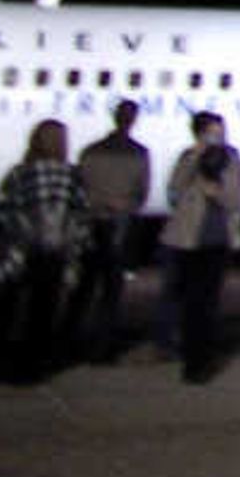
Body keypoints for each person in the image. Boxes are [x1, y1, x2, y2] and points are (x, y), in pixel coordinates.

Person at [0, 119, 82, 382]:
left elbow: (3, 206)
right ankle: (31, 368)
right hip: (54, 251)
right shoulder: (70, 175)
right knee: (42, 313)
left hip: (21, 248)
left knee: (5, 307)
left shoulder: (21, 173)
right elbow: (79, 214)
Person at [163, 113, 240, 382]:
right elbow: (173, 190)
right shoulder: (188, 157)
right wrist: (194, 159)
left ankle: (202, 361)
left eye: (219, 132)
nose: (217, 137)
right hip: (188, 239)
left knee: (207, 303)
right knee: (188, 302)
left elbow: (237, 200)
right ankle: (189, 357)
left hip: (217, 240)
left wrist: (217, 192)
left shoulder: (231, 160)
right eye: (211, 133)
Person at [69, 101, 149, 364]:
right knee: (111, 289)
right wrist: (122, 205)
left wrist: (95, 202)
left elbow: (78, 186)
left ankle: (68, 341)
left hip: (91, 222)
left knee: (84, 286)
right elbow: (141, 194)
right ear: (133, 119)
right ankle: (102, 347)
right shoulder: (138, 154)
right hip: (118, 225)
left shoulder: (90, 151)